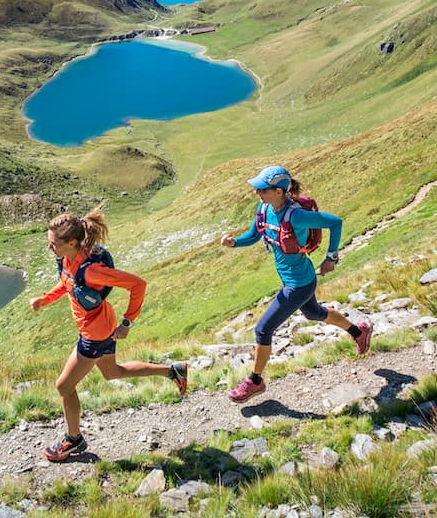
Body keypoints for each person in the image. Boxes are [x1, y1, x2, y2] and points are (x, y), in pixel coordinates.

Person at [30, 209, 188, 462]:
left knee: (64, 385)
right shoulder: (69, 259)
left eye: (54, 243)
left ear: (71, 243)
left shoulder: (92, 270)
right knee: (113, 373)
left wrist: (128, 322)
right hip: (98, 326)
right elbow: (67, 281)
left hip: (95, 333)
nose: (50, 247)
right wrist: (45, 299)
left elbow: (138, 284)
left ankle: (73, 440)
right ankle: (173, 371)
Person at [219, 165, 372, 403]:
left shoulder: (297, 215)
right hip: (299, 278)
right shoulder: (264, 209)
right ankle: (358, 331)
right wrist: (234, 243)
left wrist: (332, 258)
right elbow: (254, 235)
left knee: (262, 329)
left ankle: (255, 382)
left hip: (299, 284)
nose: (257, 193)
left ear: (279, 191)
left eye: (262, 189)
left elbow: (336, 222)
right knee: (314, 313)